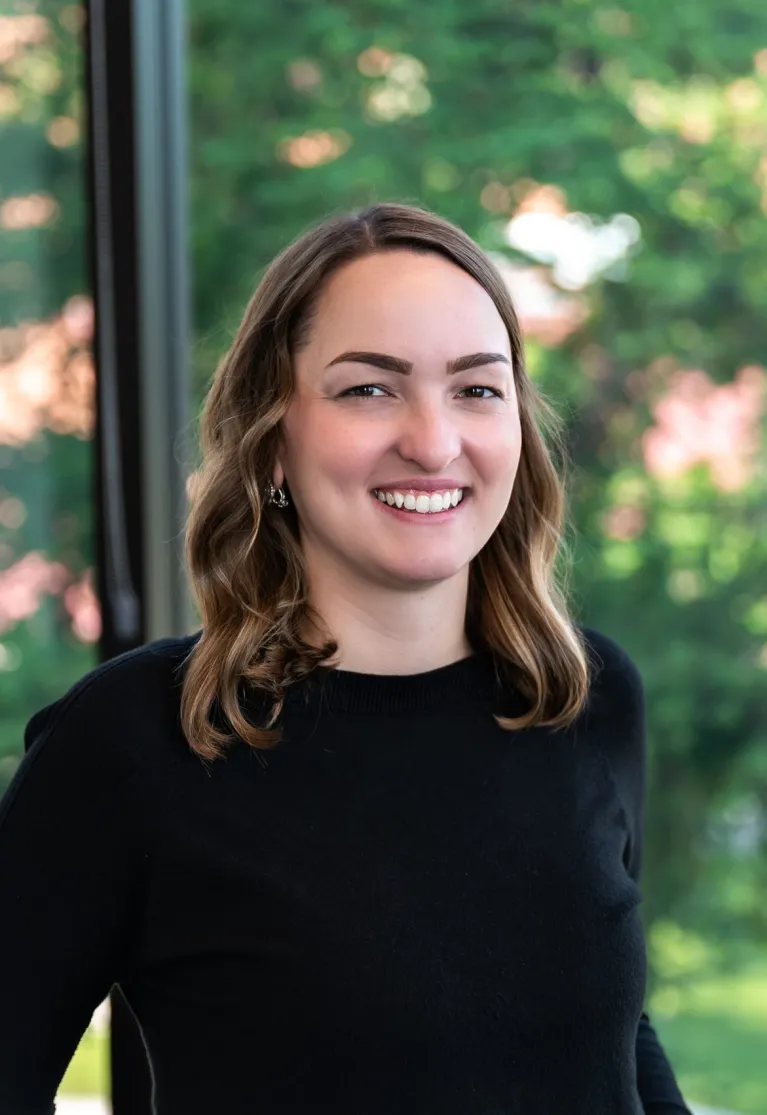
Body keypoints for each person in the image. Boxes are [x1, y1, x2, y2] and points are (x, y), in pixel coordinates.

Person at [0, 202, 691, 1115]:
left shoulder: (583, 696)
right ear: (271, 439)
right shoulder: (137, 738)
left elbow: (613, 1037)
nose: (433, 441)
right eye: (368, 388)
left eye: (476, 389)